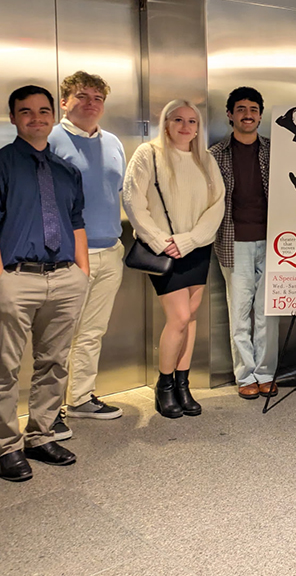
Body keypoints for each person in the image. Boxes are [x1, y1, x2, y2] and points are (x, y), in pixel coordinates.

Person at [0, 85, 91, 482]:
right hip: (15, 279)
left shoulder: (66, 170)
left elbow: (76, 222)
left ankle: (40, 435)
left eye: (43, 110)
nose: (36, 118)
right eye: (26, 112)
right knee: (3, 367)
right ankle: (6, 447)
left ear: (53, 115)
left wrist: (82, 274)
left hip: (64, 278)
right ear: (13, 117)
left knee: (53, 362)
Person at [123, 100, 225, 419]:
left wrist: (191, 239)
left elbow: (217, 204)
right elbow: (133, 201)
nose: (185, 127)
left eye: (192, 121)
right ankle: (164, 386)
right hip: (163, 249)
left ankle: (183, 385)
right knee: (179, 318)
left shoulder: (205, 159)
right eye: (178, 120)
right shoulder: (148, 154)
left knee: (191, 317)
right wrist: (160, 240)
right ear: (165, 123)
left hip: (196, 247)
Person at [47, 71, 127, 439]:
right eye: (82, 96)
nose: (91, 102)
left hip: (110, 250)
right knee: (57, 337)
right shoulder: (49, 139)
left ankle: (79, 399)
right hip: (65, 256)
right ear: (64, 101)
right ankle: (47, 412)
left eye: (98, 97)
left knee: (92, 332)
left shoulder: (112, 142)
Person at [209, 87, 280, 400]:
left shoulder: (275, 151)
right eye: (240, 109)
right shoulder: (214, 155)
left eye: (253, 109)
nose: (247, 114)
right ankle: (245, 376)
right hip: (233, 241)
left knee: (268, 313)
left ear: (260, 115)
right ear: (229, 114)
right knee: (239, 313)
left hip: (276, 242)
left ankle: (266, 374)